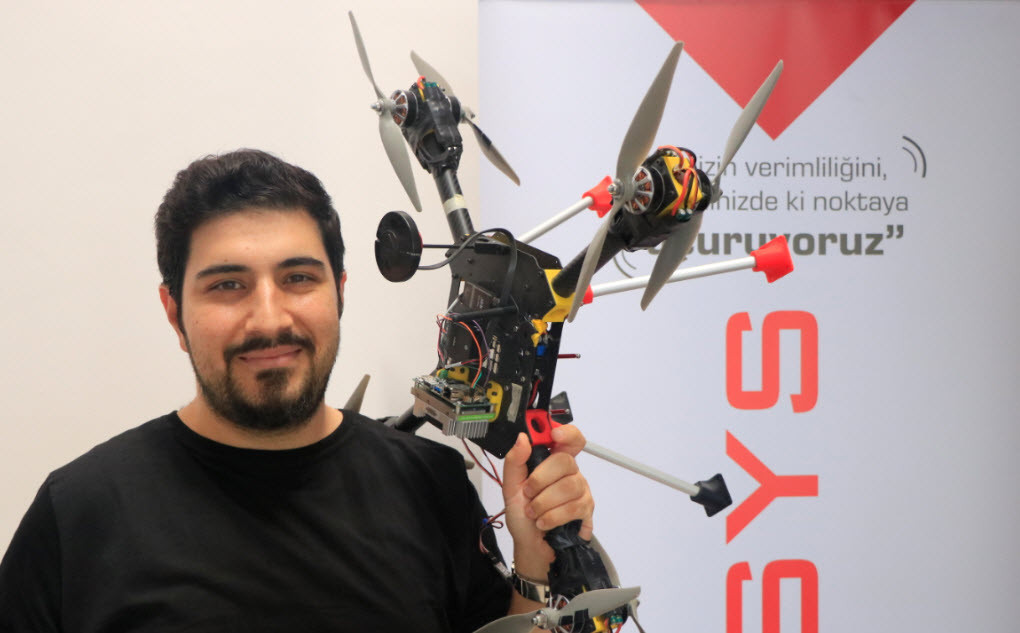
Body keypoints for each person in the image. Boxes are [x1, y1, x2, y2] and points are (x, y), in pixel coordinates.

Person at [0, 149, 595, 632]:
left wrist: (534, 565)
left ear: (339, 293)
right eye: (227, 285)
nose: (269, 318)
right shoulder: (79, 514)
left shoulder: (431, 488)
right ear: (174, 313)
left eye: (298, 278)